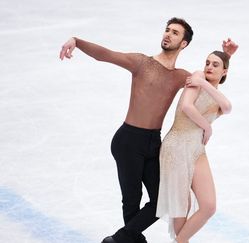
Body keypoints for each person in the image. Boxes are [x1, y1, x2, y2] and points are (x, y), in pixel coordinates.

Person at [59, 17, 238, 243]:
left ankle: (121, 239)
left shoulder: (180, 76)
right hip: (128, 140)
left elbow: (211, 80)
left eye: (174, 33)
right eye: (167, 30)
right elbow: (106, 54)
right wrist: (76, 41)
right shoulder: (141, 62)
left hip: (154, 142)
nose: (167, 35)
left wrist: (226, 57)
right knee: (132, 201)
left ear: (183, 43)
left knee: (161, 201)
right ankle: (122, 240)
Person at [156, 49, 235, 243]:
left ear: (224, 72)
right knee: (181, 208)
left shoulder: (212, 91)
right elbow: (187, 106)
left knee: (208, 206)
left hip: (196, 149)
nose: (208, 67)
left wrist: (205, 85)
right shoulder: (197, 77)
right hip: (176, 145)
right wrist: (207, 126)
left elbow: (227, 107)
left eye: (215, 65)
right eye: (207, 62)